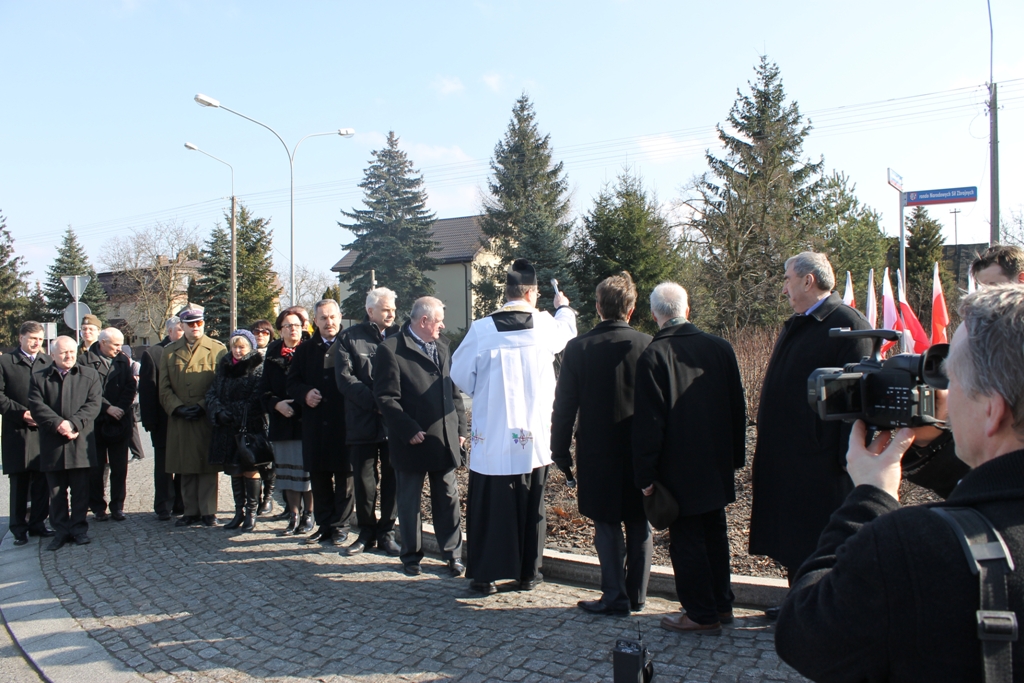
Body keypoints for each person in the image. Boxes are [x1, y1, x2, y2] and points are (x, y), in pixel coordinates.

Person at [776, 285, 1024, 681]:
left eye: (951, 378)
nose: (941, 392)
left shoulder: (917, 547)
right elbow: (996, 490)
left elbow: (805, 634)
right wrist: (937, 440)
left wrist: (869, 499)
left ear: (993, 410)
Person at [748, 252, 873, 615]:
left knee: (819, 540)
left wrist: (843, 461)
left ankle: (822, 611)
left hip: (820, 464)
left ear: (808, 281)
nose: (783, 287)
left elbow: (854, 404)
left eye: (787, 278)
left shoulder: (847, 324)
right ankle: (798, 600)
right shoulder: (800, 322)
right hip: (788, 457)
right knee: (793, 539)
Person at [451, 259, 577, 594]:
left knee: (489, 504)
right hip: (532, 436)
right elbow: (568, 332)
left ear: (506, 293)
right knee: (529, 500)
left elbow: (460, 374)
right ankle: (527, 574)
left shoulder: (481, 329)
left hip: (492, 434)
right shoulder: (545, 325)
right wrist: (562, 307)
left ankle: (485, 576)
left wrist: (484, 391)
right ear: (532, 292)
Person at [633, 283, 747, 635]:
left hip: (676, 469)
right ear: (688, 309)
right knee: (715, 533)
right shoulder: (721, 347)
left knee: (688, 542)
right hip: (715, 462)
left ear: (655, 315)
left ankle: (700, 613)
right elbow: (737, 408)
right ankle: (721, 604)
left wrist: (645, 476)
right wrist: (735, 457)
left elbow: (649, 425)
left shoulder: (654, 356)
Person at [550, 272, 652, 616]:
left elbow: (564, 405)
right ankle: (637, 593)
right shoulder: (648, 345)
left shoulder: (578, 348)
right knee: (639, 521)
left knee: (606, 523)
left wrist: (559, 451)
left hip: (598, 451)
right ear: (632, 308)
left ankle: (614, 596)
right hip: (641, 449)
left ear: (597, 307)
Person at [374, 296, 468, 577]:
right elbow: (385, 398)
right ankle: (411, 557)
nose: (443, 326)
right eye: (439, 321)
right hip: (412, 440)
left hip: (443, 439)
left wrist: (461, 430)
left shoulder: (443, 346)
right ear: (424, 321)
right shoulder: (390, 349)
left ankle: (453, 555)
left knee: (448, 498)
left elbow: (454, 393)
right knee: (410, 501)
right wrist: (407, 428)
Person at [334, 287, 401, 556]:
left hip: (394, 423)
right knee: (364, 482)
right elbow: (346, 380)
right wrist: (378, 403)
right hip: (362, 420)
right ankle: (366, 532)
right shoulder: (349, 338)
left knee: (393, 478)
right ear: (370, 310)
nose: (391, 314)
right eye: (386, 309)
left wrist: (390, 406)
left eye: (394, 309)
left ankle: (387, 533)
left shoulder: (401, 336)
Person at [286, 299, 352, 547]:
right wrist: (304, 393)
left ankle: (341, 527)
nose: (329, 322)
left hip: (344, 423)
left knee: (345, 478)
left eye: (332, 317)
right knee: (319, 476)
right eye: (323, 318)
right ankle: (324, 525)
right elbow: (291, 382)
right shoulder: (304, 350)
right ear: (314, 321)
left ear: (340, 317)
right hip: (314, 424)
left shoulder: (350, 345)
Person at [27, 336, 102, 550]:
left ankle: (79, 529)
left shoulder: (89, 375)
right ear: (53, 355)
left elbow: (94, 404)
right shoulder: (38, 377)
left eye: (72, 352)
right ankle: (61, 530)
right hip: (53, 443)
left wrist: (74, 424)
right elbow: (36, 405)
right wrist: (59, 424)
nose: (69, 356)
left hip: (79, 441)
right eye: (63, 353)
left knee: (80, 491)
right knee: (56, 492)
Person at [159, 308, 227, 527]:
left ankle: (209, 511)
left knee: (207, 465)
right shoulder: (169, 352)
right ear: (182, 326)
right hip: (180, 417)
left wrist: (202, 405)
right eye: (190, 324)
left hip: (205, 415)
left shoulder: (217, 350)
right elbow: (164, 387)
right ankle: (190, 511)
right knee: (185, 464)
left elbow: (221, 385)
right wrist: (177, 408)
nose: (195, 327)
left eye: (199, 323)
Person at [0, 321, 54, 545]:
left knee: (42, 481)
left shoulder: (47, 361)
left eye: (39, 339)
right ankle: (18, 528)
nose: (36, 343)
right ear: (21, 338)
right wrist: (22, 413)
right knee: (20, 482)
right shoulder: (5, 362)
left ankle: (38, 523)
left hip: (42, 431)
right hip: (17, 431)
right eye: (32, 338)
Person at [206, 329, 266, 532]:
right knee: (234, 469)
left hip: (249, 426)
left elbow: (258, 397)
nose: (238, 351)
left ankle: (251, 512)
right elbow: (212, 392)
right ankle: (238, 511)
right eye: (234, 346)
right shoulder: (224, 366)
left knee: (250, 468)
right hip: (227, 426)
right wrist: (218, 410)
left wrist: (237, 411)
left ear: (249, 348)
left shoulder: (257, 367)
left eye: (242, 347)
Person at [260, 307, 313, 536]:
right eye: (288, 326)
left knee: (307, 473)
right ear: (280, 331)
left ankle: (309, 515)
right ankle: (293, 515)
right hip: (282, 423)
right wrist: (276, 405)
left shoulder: (311, 351)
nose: (293, 330)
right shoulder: (272, 355)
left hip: (307, 422)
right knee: (288, 474)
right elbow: (263, 391)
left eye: (297, 325)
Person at [79, 327, 137, 523]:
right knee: (95, 469)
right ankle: (97, 507)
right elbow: (87, 391)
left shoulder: (123, 359)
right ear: (103, 343)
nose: (119, 349)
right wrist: (107, 408)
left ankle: (117, 506)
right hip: (95, 423)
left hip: (120, 421)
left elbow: (131, 386)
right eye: (115, 345)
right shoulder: (85, 361)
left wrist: (120, 407)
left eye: (121, 345)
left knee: (120, 467)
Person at [139, 317, 184, 521]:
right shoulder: (154, 353)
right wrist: (149, 421)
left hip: (184, 419)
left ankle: (181, 502)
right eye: (180, 329)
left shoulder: (188, 350)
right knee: (164, 465)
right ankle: (163, 505)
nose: (184, 333)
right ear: (170, 331)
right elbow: (147, 390)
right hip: (162, 421)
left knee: (184, 463)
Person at [250, 318, 277, 515]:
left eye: (265, 332)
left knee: (270, 458)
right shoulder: (244, 353)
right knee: (252, 458)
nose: (260, 335)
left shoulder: (274, 354)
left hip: (269, 413)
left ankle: (268, 496)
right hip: (250, 414)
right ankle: (254, 497)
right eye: (257, 332)